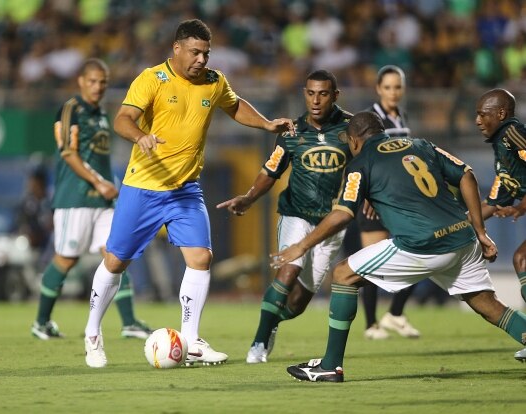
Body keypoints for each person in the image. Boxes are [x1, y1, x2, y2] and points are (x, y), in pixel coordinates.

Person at [82, 19, 294, 368]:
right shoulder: (152, 78)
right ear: (176, 48)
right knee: (116, 260)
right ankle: (92, 333)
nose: (201, 59)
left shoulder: (214, 81)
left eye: (206, 53)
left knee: (201, 258)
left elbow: (235, 104)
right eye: (195, 52)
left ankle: (192, 340)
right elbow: (123, 118)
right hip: (143, 187)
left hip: (185, 190)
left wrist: (267, 123)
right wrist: (140, 136)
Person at [271, 111, 526, 382]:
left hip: (422, 245)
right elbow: (466, 174)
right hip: (462, 239)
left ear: (355, 141)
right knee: (489, 305)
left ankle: (330, 365)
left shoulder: (361, 164)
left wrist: (301, 245)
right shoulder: (421, 145)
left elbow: (343, 213)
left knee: (343, 274)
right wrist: (480, 231)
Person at [217, 69, 352, 363]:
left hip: (331, 223)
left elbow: (368, 170)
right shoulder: (292, 131)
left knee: (299, 303)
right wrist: (249, 197)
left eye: (323, 94)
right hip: (296, 213)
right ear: (304, 93)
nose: (316, 100)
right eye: (310, 93)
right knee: (288, 270)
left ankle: (272, 322)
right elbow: (271, 171)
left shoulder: (351, 129)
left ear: (335, 96)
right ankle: (259, 343)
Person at [30, 58, 152, 341]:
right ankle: (41, 322)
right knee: (66, 259)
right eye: (93, 81)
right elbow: (68, 153)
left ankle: (129, 322)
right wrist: (98, 181)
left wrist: (109, 183)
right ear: (81, 81)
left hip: (103, 200)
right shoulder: (71, 108)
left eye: (103, 83)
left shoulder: (100, 113)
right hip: (76, 198)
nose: (98, 87)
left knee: (116, 255)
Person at [356, 65, 420, 340]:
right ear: (378, 89)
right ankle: (371, 324)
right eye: (388, 87)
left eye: (397, 87)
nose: (393, 92)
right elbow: (360, 158)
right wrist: (368, 194)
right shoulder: (370, 120)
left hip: (401, 199)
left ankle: (394, 313)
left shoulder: (400, 115)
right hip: (376, 199)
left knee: (419, 256)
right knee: (372, 264)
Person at [475, 88, 526, 360]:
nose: (477, 120)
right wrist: (456, 225)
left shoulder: (512, 133)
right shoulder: (502, 150)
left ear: (501, 114)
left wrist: (520, 206)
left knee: (522, 260)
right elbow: (493, 204)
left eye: (483, 114)